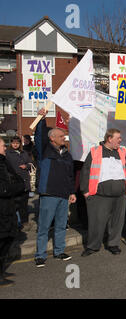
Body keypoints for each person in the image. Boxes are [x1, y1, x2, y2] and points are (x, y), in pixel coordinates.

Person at [33, 109, 76, 267]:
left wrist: (72, 192)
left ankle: (59, 251)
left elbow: (70, 175)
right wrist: (42, 120)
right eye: (60, 136)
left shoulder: (67, 155)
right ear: (52, 138)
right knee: (44, 226)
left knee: (60, 225)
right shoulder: (44, 150)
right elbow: (39, 137)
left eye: (63, 135)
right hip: (49, 194)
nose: (63, 137)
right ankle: (40, 255)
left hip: (63, 195)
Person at [80, 128, 126, 257]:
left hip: (120, 195)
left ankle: (113, 244)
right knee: (97, 222)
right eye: (118, 138)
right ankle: (93, 246)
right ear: (109, 139)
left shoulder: (122, 151)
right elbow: (85, 171)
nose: (120, 140)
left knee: (117, 222)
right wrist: (85, 191)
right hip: (100, 195)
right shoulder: (95, 151)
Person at [0, 137, 25, 287]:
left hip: (8, 207)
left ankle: (1, 270)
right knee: (2, 239)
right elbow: (3, 189)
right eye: (3, 145)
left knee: (8, 239)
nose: (5, 148)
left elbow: (17, 179)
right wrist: (18, 187)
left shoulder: (4, 161)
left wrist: (18, 186)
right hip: (2, 208)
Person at [6, 136, 33, 231]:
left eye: (17, 143)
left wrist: (26, 166)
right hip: (14, 182)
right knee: (14, 204)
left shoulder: (24, 152)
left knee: (24, 204)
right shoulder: (7, 153)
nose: (15, 144)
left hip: (25, 182)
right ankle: (15, 223)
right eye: (13, 142)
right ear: (11, 143)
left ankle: (25, 222)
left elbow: (31, 163)